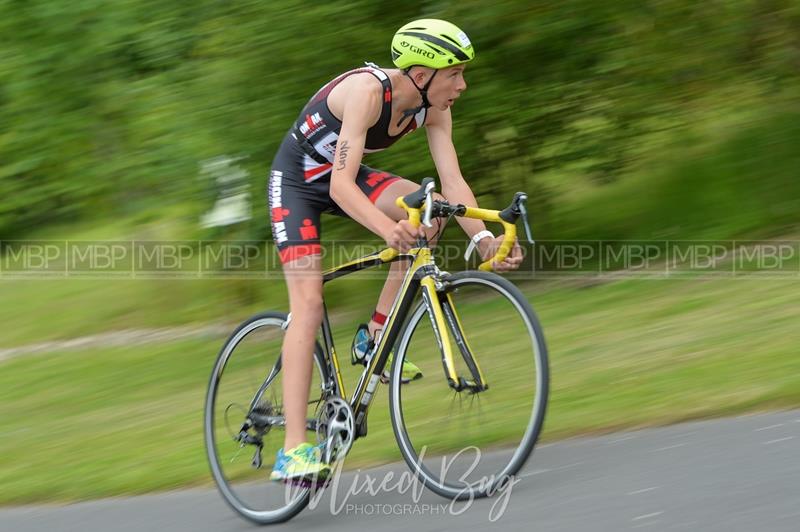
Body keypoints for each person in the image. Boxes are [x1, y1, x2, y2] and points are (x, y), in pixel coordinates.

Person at [267, 19, 522, 482]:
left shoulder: (434, 107)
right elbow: (342, 187)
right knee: (308, 304)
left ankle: (375, 336)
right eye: (455, 74)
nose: (462, 85)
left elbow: (453, 185)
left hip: (343, 177)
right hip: (298, 182)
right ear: (422, 75)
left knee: (431, 209)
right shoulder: (368, 92)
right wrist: (388, 230)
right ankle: (293, 450)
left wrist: (484, 239)